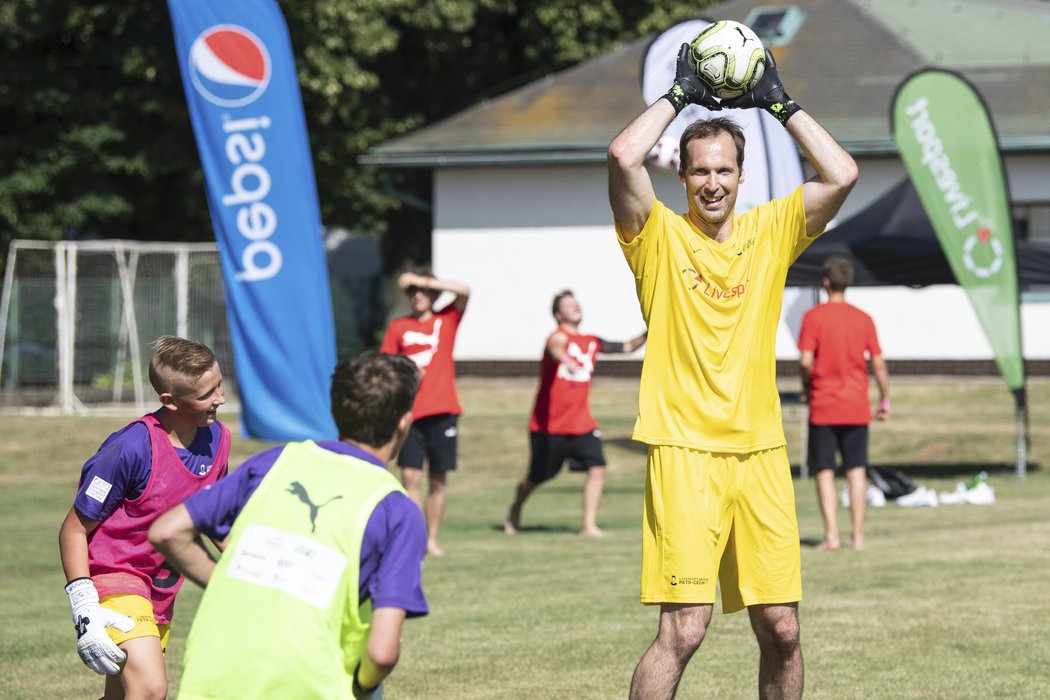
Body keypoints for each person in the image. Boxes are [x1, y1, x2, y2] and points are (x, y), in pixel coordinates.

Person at [607, 42, 858, 700]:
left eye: (723, 170)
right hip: (686, 451)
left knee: (782, 630)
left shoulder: (771, 231)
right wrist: (680, 95)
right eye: (698, 172)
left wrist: (780, 102)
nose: (712, 182)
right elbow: (621, 156)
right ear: (682, 178)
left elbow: (842, 174)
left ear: (742, 177)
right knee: (684, 630)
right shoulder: (654, 235)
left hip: (761, 454)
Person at [148, 351, 427, 700]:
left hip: (214, 672)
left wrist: (226, 581)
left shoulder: (277, 461)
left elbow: (166, 531)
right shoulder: (397, 510)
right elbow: (382, 653)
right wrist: (363, 685)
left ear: (336, 407)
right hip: (306, 683)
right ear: (404, 422)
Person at [58, 336, 230, 700]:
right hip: (115, 577)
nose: (220, 399)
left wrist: (252, 563)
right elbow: (74, 528)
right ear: (169, 401)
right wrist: (84, 606)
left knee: (122, 695)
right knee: (151, 689)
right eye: (206, 394)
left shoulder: (218, 438)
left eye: (219, 385)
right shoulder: (131, 448)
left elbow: (216, 515)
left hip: (161, 588)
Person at [504, 290, 647, 537]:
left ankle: (588, 525)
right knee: (540, 475)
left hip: (582, 423)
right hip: (549, 425)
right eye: (568, 304)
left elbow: (626, 347)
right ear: (559, 314)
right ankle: (515, 508)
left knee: (597, 467)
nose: (575, 306)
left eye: (576, 302)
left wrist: (651, 329)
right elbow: (556, 348)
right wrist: (566, 360)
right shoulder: (557, 338)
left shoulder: (591, 341)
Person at [799, 255, 890, 551]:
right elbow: (878, 363)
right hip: (855, 406)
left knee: (824, 470)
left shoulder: (813, 317)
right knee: (857, 470)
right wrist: (884, 398)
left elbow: (805, 360)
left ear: (825, 282)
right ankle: (858, 538)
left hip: (823, 406)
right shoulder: (864, 319)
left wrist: (806, 386)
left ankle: (832, 536)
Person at [380, 268, 470, 556]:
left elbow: (464, 290)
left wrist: (420, 280)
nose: (418, 295)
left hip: (444, 411)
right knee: (410, 479)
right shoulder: (398, 327)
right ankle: (415, 539)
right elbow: (385, 365)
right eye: (412, 292)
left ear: (433, 291)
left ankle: (432, 539)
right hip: (410, 414)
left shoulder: (447, 320)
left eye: (423, 290)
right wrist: (406, 372)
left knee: (438, 479)